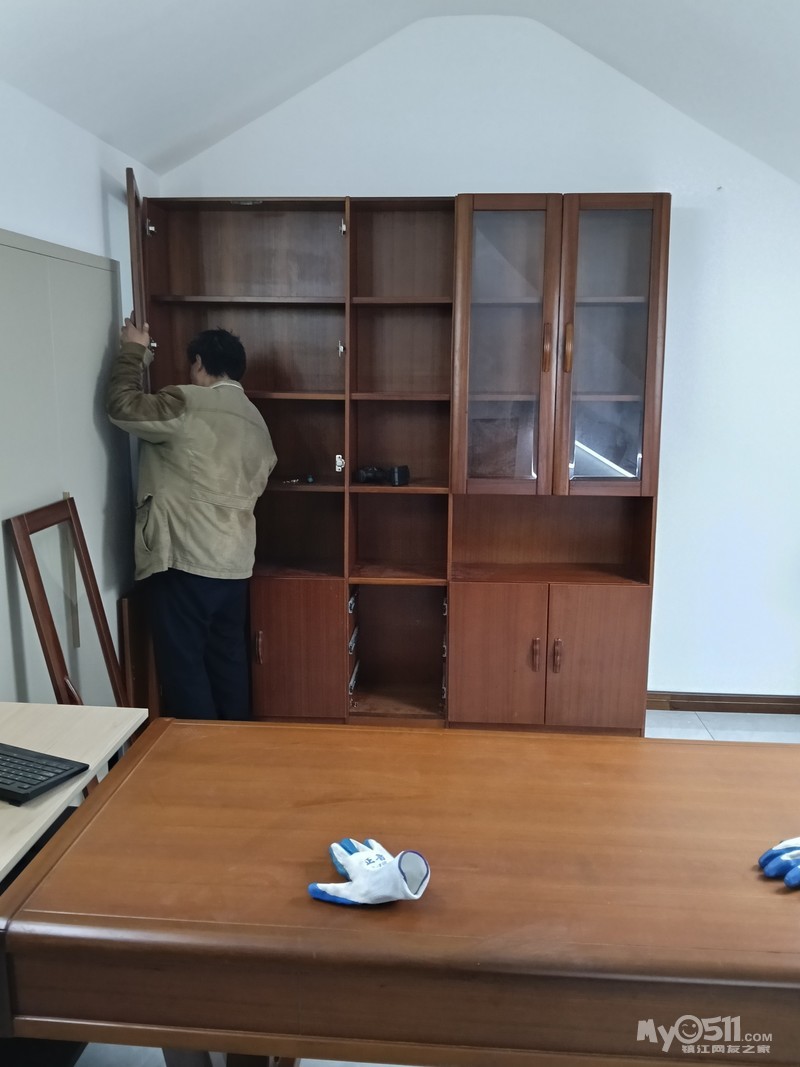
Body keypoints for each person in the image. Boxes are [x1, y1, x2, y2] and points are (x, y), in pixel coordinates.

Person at [107, 317, 276, 720]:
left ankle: (198, 754)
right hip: (235, 564)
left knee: (185, 672)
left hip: (185, 559)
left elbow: (123, 407)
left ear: (199, 363)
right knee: (228, 665)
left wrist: (134, 351)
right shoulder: (257, 421)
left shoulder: (186, 402)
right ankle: (234, 749)